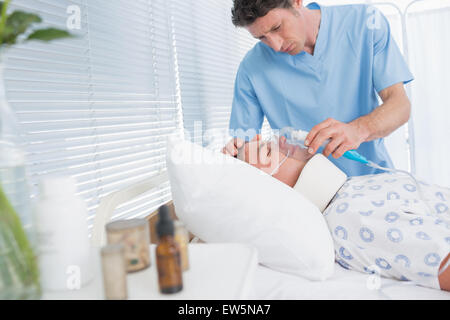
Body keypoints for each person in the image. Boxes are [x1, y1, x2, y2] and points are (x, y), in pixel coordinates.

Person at [223, 0, 413, 177]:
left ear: (296, 2)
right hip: (309, 195)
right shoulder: (252, 68)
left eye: (277, 28)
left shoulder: (365, 23)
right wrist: (236, 154)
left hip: (371, 181)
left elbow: (399, 105)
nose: (275, 45)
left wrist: (359, 129)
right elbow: (246, 147)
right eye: (262, 38)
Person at [236, 135, 450, 291]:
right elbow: (441, 262)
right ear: (272, 189)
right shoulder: (350, 217)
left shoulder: (350, 189)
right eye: (269, 151)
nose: (282, 140)